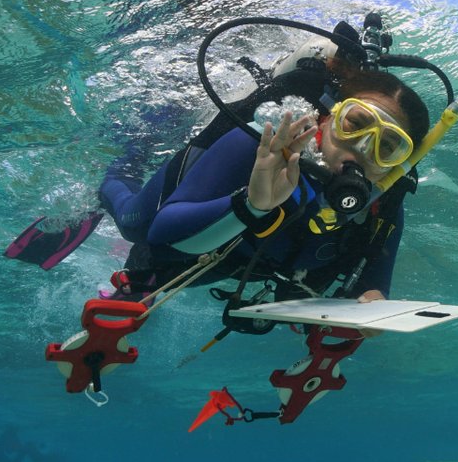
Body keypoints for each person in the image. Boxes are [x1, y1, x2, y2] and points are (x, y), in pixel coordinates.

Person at [95, 56, 431, 307]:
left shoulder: (381, 203)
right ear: (327, 118)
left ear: (399, 164)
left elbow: (372, 287)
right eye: (355, 124)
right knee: (133, 226)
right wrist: (250, 206)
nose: (362, 147)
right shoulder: (261, 148)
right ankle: (117, 174)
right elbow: (162, 238)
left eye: (387, 146)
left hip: (236, 262)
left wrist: (371, 304)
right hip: (185, 235)